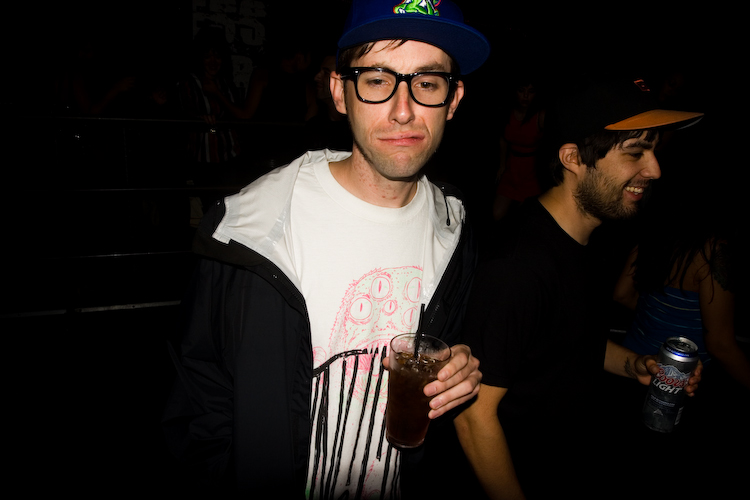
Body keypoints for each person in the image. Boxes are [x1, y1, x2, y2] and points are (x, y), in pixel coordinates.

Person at [162, 1, 491, 498]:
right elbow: (198, 399)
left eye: (427, 83)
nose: (404, 110)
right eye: (377, 80)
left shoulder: (456, 230)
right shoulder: (252, 229)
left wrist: (457, 369)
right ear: (339, 92)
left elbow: (445, 367)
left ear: (454, 98)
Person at [453, 76, 704, 499]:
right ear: (572, 158)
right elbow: (474, 416)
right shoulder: (518, 267)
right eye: (635, 152)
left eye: (655, 150)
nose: (654, 169)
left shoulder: (587, 240)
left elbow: (568, 339)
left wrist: (637, 365)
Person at [613, 171, 750, 390]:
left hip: (630, 359)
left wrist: (659, 315)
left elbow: (622, 294)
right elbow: (720, 344)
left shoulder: (655, 234)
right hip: (676, 379)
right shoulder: (714, 251)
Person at [491, 73, 545, 221]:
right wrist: (502, 165)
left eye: (531, 91)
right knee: (497, 214)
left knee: (524, 218)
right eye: (522, 91)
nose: (526, 96)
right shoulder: (507, 112)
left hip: (532, 170)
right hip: (511, 167)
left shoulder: (541, 116)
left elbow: (549, 144)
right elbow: (503, 139)